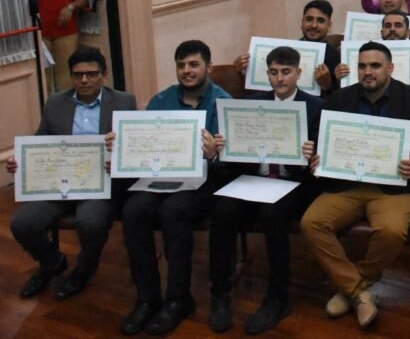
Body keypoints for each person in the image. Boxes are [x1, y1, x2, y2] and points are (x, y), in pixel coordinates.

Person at [300, 42, 410, 329]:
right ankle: (360, 293)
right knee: (312, 223)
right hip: (348, 184)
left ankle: (352, 288)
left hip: (396, 187)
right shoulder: (340, 98)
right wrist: (315, 156)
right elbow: (321, 140)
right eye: (362, 66)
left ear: (390, 68)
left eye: (375, 66)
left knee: (390, 231)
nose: (368, 71)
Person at [207, 46, 323, 334]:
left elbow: (319, 165)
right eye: (273, 72)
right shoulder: (251, 104)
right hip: (254, 179)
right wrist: (224, 148)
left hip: (294, 182)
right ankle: (220, 293)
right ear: (267, 74)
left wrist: (310, 156)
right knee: (222, 211)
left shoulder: (316, 107)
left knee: (273, 214)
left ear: (298, 73)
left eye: (286, 72)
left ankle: (278, 296)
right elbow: (236, 157)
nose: (279, 78)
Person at [120, 40, 230, 335]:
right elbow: (144, 145)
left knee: (173, 212)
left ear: (208, 66)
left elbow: (232, 162)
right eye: (181, 65)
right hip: (161, 175)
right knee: (133, 211)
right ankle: (147, 298)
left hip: (205, 179)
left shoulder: (223, 102)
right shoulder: (161, 100)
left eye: (193, 64)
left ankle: (178, 299)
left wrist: (214, 154)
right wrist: (123, 147)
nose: (186, 71)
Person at [6, 47, 135, 301]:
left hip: (99, 184)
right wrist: (19, 161)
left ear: (104, 74)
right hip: (58, 184)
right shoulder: (55, 103)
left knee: (90, 223)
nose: (84, 80)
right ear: (71, 77)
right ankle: (52, 262)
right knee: (22, 223)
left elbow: (135, 147)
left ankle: (84, 271)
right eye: (78, 75)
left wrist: (120, 158)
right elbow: (40, 143)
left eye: (91, 74)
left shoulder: (124, 102)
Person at [233, 0, 344, 95]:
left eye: (320, 21)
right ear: (302, 23)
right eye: (309, 19)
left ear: (329, 26)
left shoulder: (337, 58)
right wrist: (243, 71)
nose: (314, 25)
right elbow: (261, 90)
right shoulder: (285, 51)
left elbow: (342, 102)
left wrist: (327, 86)